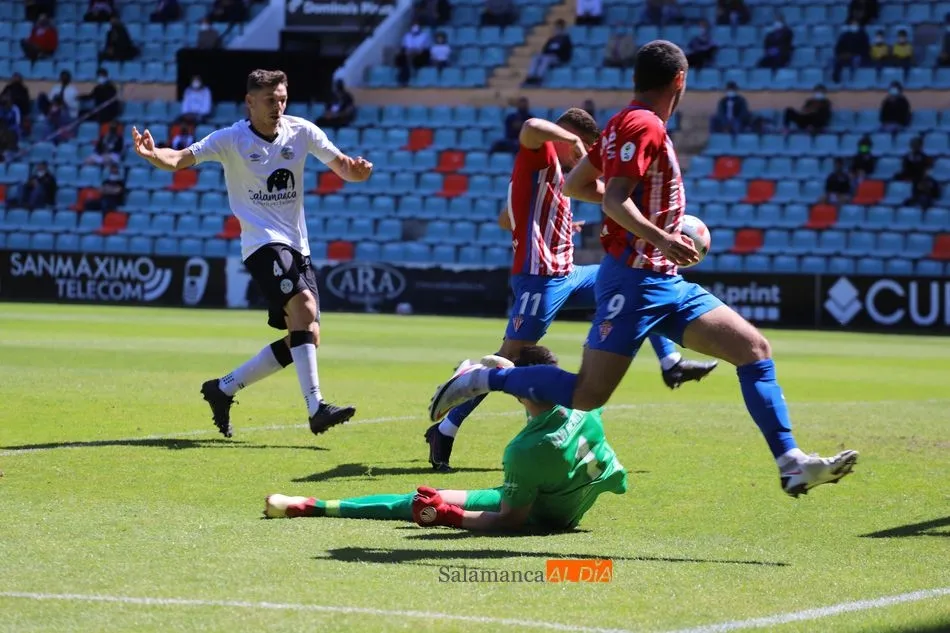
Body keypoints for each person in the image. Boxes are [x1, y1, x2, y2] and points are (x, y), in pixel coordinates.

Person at [427, 40, 859, 499]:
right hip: (634, 278)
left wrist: (654, 234)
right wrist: (662, 237)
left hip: (663, 280)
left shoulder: (620, 124)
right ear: (679, 80)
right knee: (588, 394)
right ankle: (482, 377)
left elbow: (576, 184)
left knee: (753, 349)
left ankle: (790, 462)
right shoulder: (643, 124)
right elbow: (613, 198)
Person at [425, 108, 718, 471]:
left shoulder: (553, 176)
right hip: (540, 278)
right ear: (569, 139)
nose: (586, 158)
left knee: (633, 282)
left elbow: (506, 218)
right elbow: (531, 126)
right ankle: (447, 428)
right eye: (585, 149)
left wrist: (554, 220)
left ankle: (670, 362)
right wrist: (570, 141)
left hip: (569, 273)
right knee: (508, 358)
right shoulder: (544, 151)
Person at [130, 69, 373, 438]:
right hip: (261, 243)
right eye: (271, 100)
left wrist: (358, 172)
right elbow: (179, 158)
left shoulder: (302, 131)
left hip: (297, 245)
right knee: (305, 309)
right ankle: (316, 408)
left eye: (283, 98)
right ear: (250, 101)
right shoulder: (230, 139)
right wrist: (153, 154)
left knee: (305, 336)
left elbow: (343, 168)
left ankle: (223, 388)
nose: (279, 106)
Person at [267, 346, 628, 532]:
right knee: (430, 500)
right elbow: (540, 403)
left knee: (418, 503)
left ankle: (315, 504)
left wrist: (448, 518)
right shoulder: (585, 404)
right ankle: (312, 506)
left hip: (543, 516)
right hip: (567, 494)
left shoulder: (525, 450)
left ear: (521, 392)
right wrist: (511, 376)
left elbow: (510, 520)